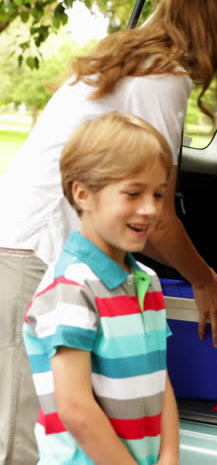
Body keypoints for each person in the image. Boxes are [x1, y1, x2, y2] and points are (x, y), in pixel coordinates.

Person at [0, 0, 217, 463]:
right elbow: (158, 216)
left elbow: (148, 209)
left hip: (32, 244)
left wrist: (205, 273)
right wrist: (204, 282)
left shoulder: (138, 63)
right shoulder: (162, 78)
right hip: (33, 252)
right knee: (26, 436)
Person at [23, 111, 179, 465]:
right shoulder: (70, 289)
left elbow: (158, 378)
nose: (150, 209)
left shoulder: (147, 282)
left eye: (158, 194)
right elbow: (76, 409)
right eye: (133, 193)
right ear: (83, 194)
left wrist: (169, 455)